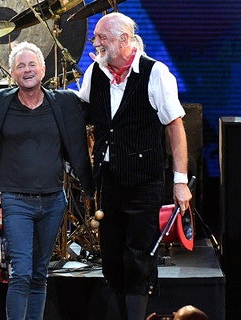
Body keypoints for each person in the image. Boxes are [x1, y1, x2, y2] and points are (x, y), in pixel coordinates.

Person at [76, 12, 192, 320]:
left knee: (139, 255)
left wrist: (180, 180)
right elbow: (81, 110)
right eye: (95, 38)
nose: (96, 43)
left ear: (124, 40)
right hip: (109, 179)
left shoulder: (155, 73)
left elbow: (175, 127)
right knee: (112, 255)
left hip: (144, 180)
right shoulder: (95, 73)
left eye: (102, 38)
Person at [0, 42, 94, 320]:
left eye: (31, 64)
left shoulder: (65, 102)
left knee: (39, 272)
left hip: (53, 200)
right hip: (15, 199)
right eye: (20, 66)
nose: (27, 70)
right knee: (21, 272)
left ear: (43, 69)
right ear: (12, 73)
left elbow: (101, 107)